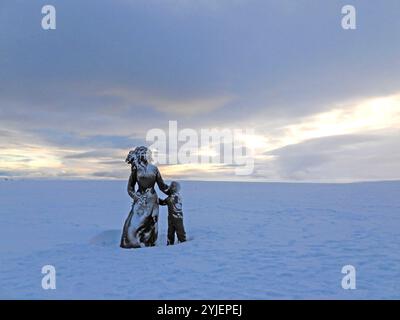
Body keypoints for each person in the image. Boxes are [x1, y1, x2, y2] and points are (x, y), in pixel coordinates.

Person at [120, 146, 169, 248]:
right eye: (143, 154)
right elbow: (130, 188)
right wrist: (136, 197)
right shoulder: (136, 169)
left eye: (147, 154)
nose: (145, 156)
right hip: (140, 200)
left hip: (152, 200)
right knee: (132, 224)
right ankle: (132, 243)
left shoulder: (154, 169)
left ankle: (149, 243)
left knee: (151, 224)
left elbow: (162, 186)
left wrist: (172, 191)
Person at [159, 181, 187, 245]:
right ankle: (169, 244)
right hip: (171, 217)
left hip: (177, 217)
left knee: (180, 232)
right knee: (170, 232)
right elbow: (163, 202)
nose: (170, 188)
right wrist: (157, 200)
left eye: (172, 187)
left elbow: (166, 201)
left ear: (175, 188)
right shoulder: (171, 196)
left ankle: (183, 244)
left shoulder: (175, 197)